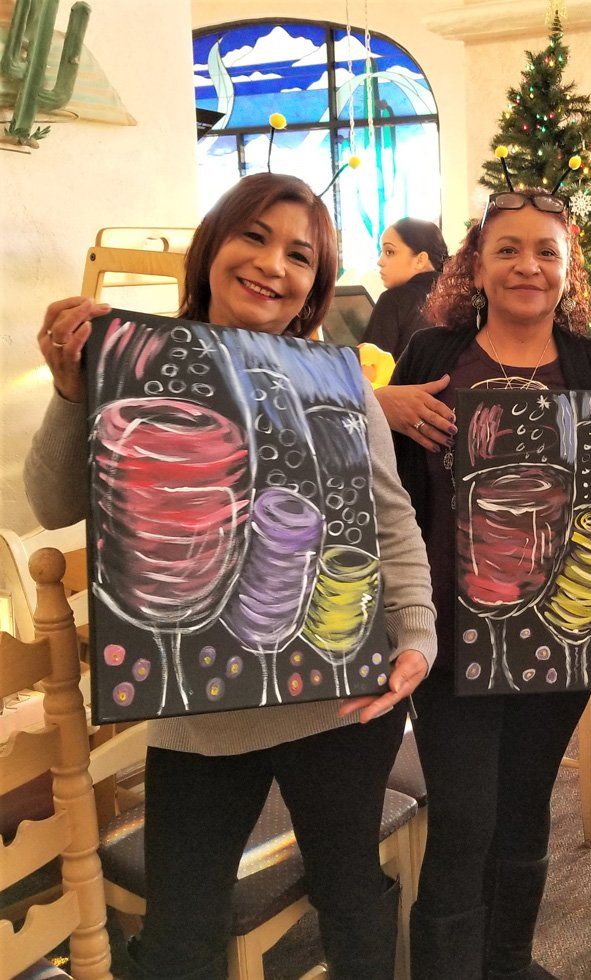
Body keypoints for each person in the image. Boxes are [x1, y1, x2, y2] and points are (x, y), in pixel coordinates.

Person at [24, 172, 436, 980]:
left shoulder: (339, 379)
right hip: (197, 707)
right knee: (182, 930)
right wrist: (74, 392)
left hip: (334, 695)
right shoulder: (132, 362)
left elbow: (391, 519)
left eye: (300, 254)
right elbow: (52, 501)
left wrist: (416, 633)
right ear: (212, 246)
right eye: (254, 236)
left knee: (350, 892)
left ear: (316, 283)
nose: (273, 265)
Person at [376, 185, 591, 980]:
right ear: (477, 266)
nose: (529, 265)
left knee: (525, 814)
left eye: (547, 252)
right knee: (464, 816)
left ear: (568, 270)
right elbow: (373, 476)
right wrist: (374, 403)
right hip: (453, 631)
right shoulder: (432, 354)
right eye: (508, 249)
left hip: (563, 633)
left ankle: (508, 963)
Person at [361, 217, 449, 358]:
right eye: (381, 252)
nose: (380, 261)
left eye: (389, 252)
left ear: (420, 260)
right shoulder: (456, 298)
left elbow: (368, 372)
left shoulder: (393, 300)